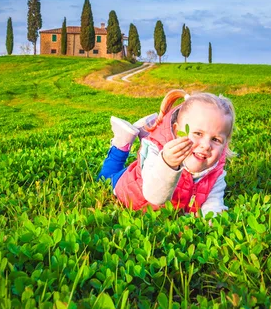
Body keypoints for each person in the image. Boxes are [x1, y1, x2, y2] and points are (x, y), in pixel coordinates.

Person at [97, 89, 236, 215]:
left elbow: (213, 201)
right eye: (198, 133)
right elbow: (155, 197)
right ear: (176, 131)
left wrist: (213, 217)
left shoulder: (215, 171)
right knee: (105, 178)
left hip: (147, 169)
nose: (206, 145)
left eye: (216, 139)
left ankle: (147, 130)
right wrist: (168, 164)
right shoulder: (157, 153)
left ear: (225, 144)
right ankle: (121, 143)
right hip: (128, 186)